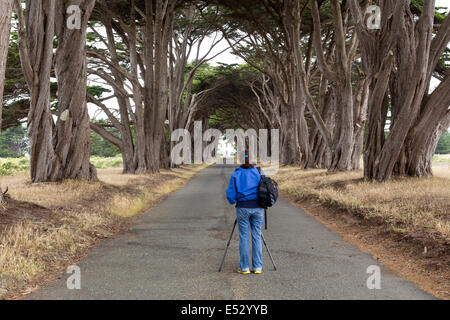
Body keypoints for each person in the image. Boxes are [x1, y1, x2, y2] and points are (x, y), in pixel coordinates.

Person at [226, 153, 264, 275]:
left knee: (243, 237)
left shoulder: (236, 174)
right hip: (258, 207)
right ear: (253, 161)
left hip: (242, 207)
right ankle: (257, 267)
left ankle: (245, 268)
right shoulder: (259, 172)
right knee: (256, 236)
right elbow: (266, 187)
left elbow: (230, 194)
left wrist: (234, 200)